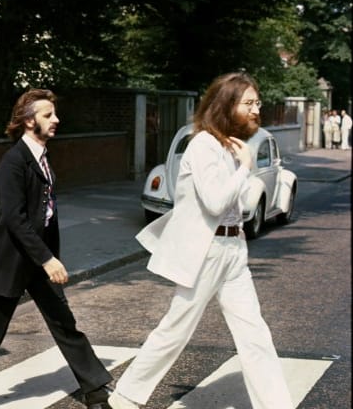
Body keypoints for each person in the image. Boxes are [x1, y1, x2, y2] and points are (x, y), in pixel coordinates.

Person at [108, 72, 292, 409]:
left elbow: (236, 208)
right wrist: (245, 168)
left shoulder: (229, 145)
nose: (256, 109)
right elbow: (215, 202)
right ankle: (124, 398)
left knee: (255, 333)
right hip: (207, 250)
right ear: (227, 105)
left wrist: (243, 169)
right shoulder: (203, 145)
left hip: (234, 248)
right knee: (176, 330)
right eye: (248, 103)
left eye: (257, 103)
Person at [0, 89, 114, 409]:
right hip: (13, 259)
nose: (56, 120)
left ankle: (95, 390)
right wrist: (48, 259)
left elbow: (46, 213)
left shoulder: (42, 156)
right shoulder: (13, 161)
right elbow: (15, 219)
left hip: (37, 259)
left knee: (63, 322)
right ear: (29, 121)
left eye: (54, 114)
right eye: (47, 115)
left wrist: (49, 257)